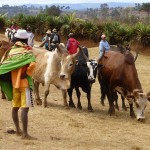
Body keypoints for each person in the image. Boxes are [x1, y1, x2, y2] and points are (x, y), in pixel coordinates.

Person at [0, 29, 36, 140]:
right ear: (25, 39)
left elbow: (4, 65)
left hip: (14, 83)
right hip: (25, 84)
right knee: (25, 109)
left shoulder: (10, 52)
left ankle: (18, 130)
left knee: (15, 108)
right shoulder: (28, 51)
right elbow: (33, 64)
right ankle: (25, 134)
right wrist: (26, 73)